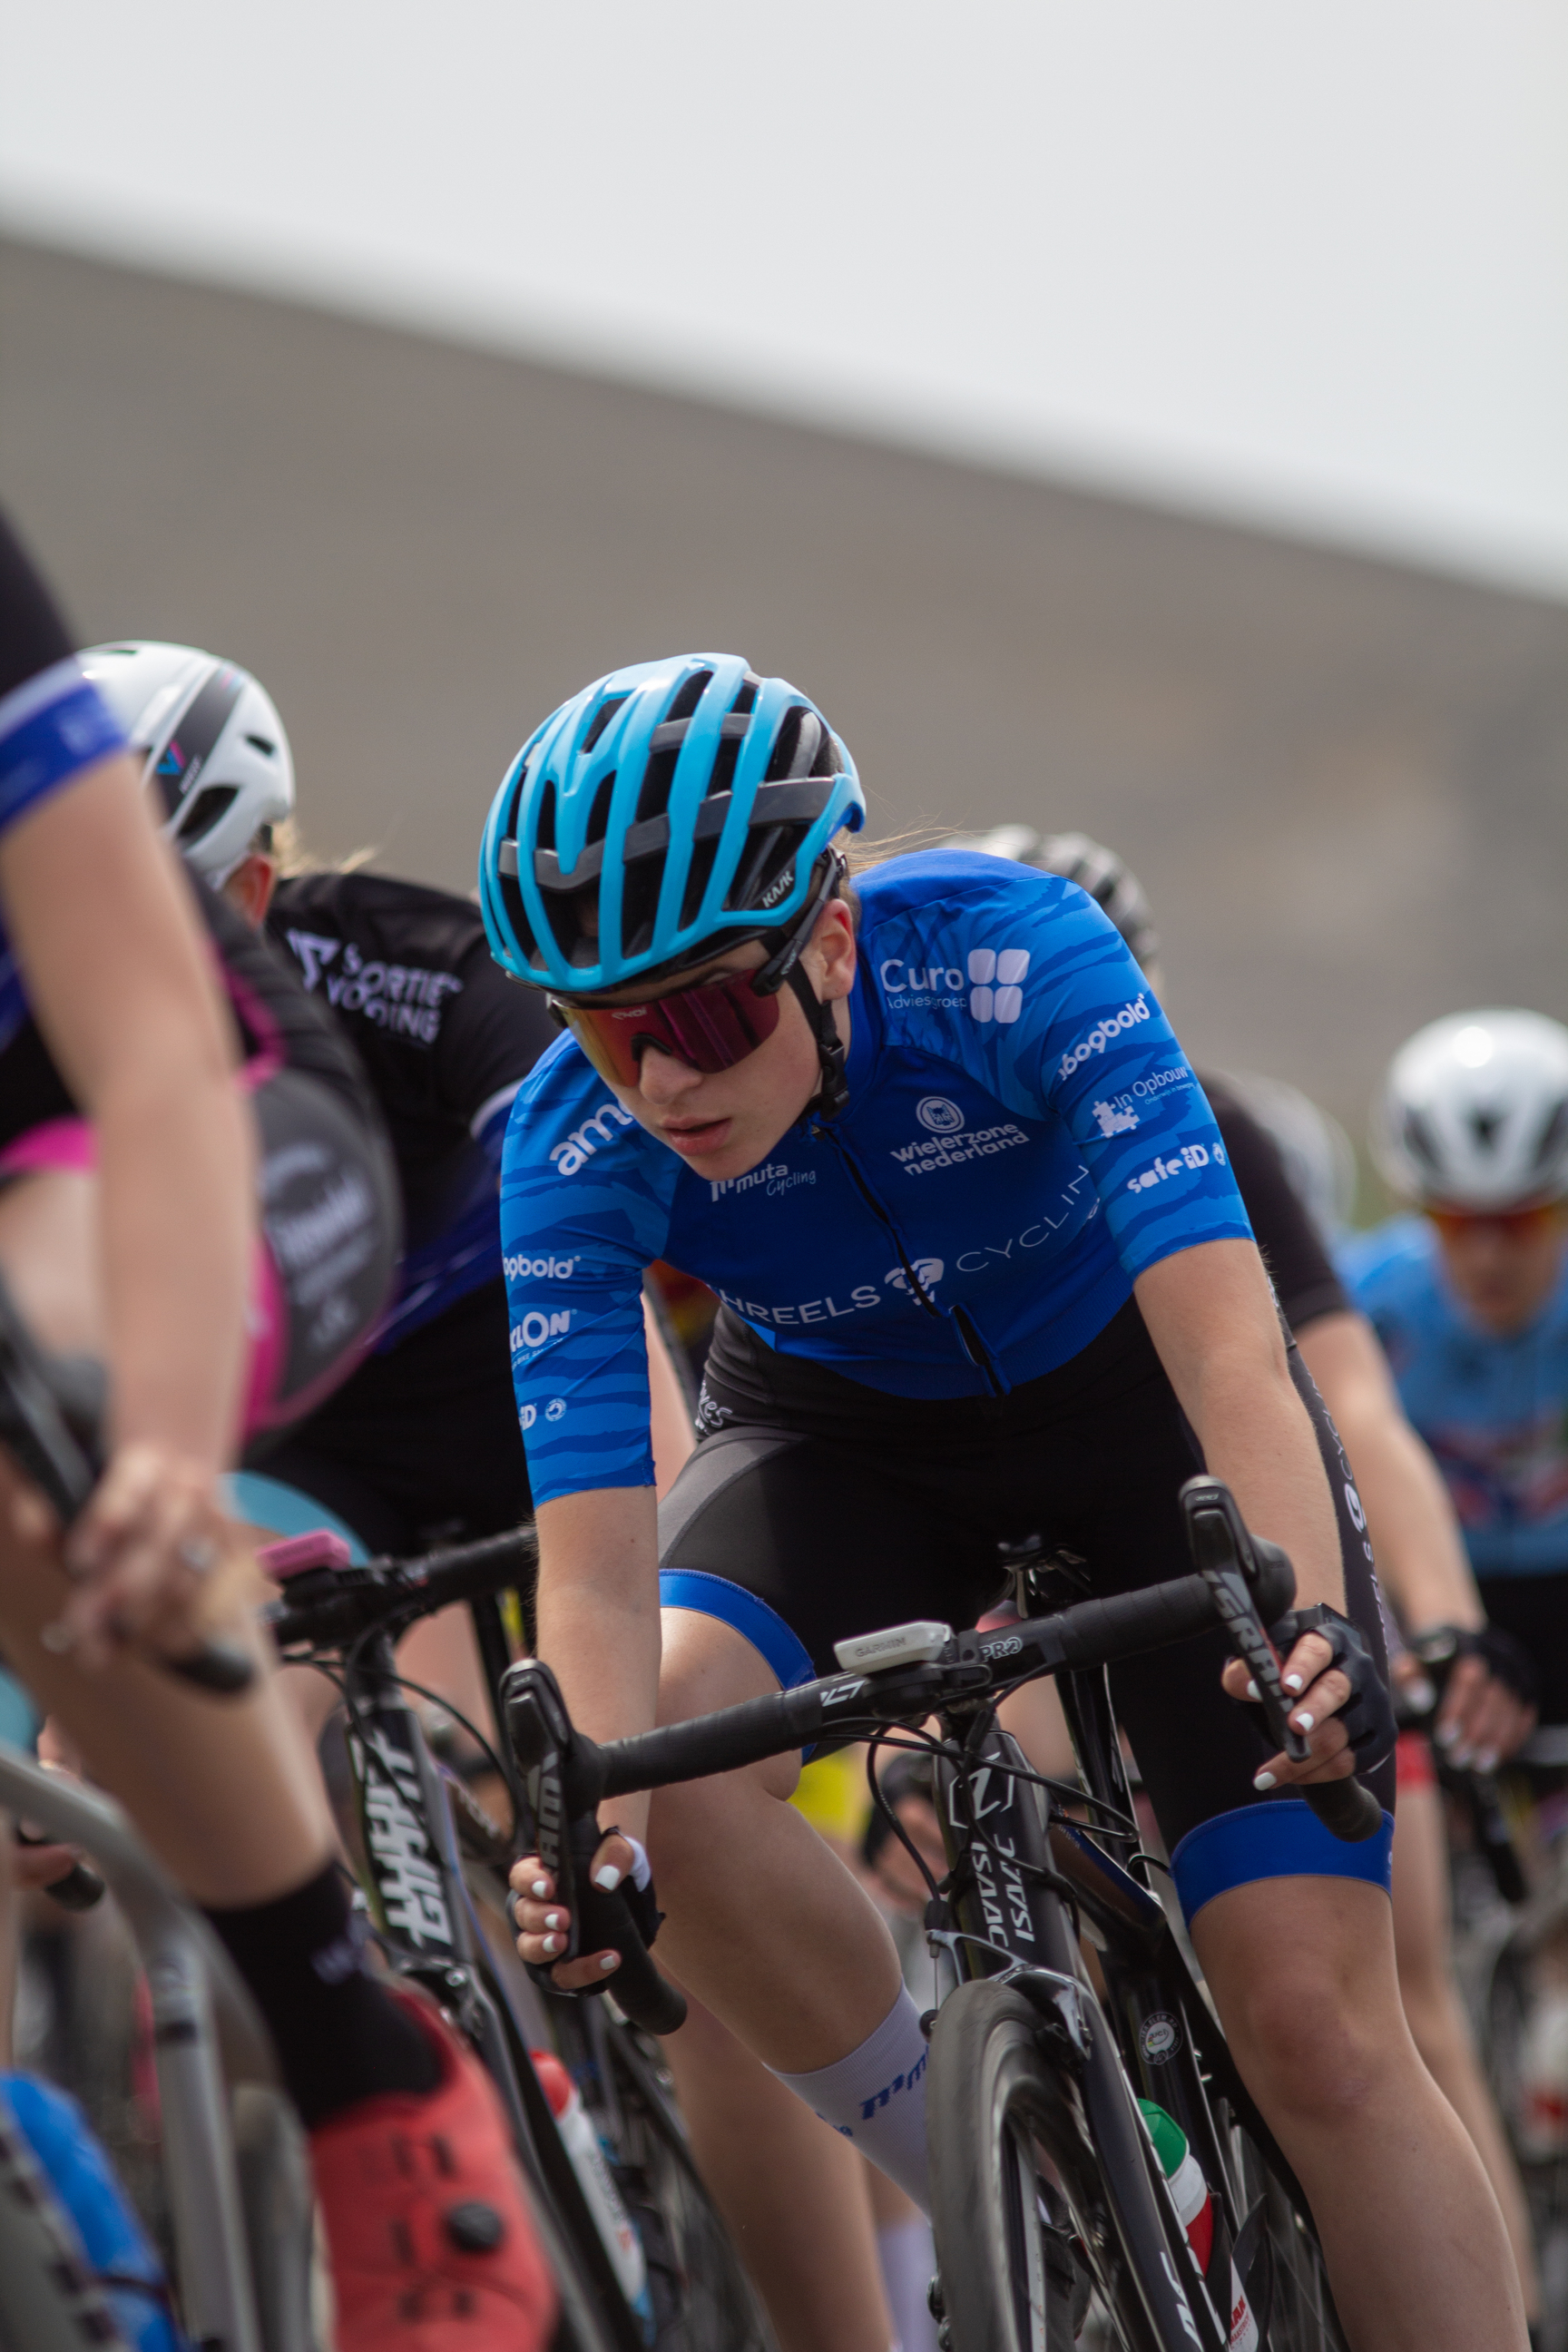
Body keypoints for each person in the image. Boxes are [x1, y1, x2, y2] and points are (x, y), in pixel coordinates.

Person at [485, 652, 1524, 2351]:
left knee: (1320, 2034)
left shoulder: (1018, 957)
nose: (660, 1081)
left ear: (829, 931)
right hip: (842, 1441)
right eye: (600, 1027)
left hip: (1142, 1422)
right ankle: (1011, 2177)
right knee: (665, 1769)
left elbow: (1237, 1355)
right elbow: (593, 1572)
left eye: (699, 1011)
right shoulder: (570, 1144)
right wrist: (587, 1828)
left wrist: (1307, 1616)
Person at [1, 567, 553, 2352]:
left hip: (224, 1157)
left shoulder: (398, 964)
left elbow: (155, 1052)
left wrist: (154, 1457)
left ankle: (376, 2069)